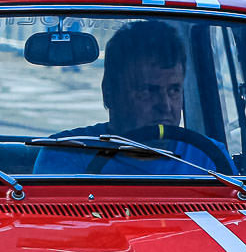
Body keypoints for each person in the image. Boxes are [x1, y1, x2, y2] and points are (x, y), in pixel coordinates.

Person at [35, 19, 233, 176]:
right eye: (148, 91)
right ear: (110, 93)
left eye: (174, 90)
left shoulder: (209, 157)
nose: (165, 106)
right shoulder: (66, 154)